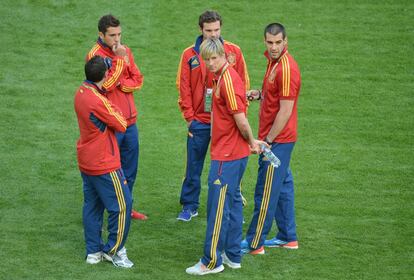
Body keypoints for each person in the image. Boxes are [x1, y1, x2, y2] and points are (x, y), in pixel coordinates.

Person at [185, 38, 265, 275]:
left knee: (217, 208)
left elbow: (240, 119)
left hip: (227, 156)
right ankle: (232, 255)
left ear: (224, 56)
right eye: (206, 59)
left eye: (214, 58)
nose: (210, 63)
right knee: (232, 204)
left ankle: (211, 261)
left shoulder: (227, 80)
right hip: (234, 153)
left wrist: (252, 141)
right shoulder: (225, 76)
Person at [176, 10, 250, 222]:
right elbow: (183, 87)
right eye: (209, 30)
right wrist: (190, 118)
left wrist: (239, 116)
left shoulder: (233, 51)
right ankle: (189, 206)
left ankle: (234, 204)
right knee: (193, 165)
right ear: (201, 30)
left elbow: (243, 83)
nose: (213, 34)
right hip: (199, 121)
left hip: (226, 124)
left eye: (217, 30)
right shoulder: (189, 54)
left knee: (231, 164)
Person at [242, 23, 301, 255]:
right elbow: (276, 96)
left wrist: (267, 141)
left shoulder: (286, 69)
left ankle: (255, 243)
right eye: (270, 42)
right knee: (283, 186)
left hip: (277, 141)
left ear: (285, 41)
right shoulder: (274, 62)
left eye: (278, 42)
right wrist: (261, 94)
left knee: (265, 191)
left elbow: (286, 110)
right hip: (278, 139)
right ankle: (288, 237)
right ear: (265, 41)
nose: (274, 47)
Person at [74, 56, 134, 268]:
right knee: (123, 206)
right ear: (105, 75)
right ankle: (114, 251)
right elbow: (121, 122)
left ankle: (93, 252)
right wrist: (111, 105)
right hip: (104, 163)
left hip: (87, 160)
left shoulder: (81, 92)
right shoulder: (97, 100)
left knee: (92, 206)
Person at [86, 14, 147, 220]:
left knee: (130, 170)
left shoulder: (124, 50)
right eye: (112, 35)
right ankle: (108, 212)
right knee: (110, 172)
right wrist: (120, 61)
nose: (117, 39)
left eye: (119, 34)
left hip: (130, 122)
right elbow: (106, 85)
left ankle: (126, 209)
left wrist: (122, 83)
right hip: (111, 124)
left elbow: (138, 80)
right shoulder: (96, 56)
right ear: (101, 34)